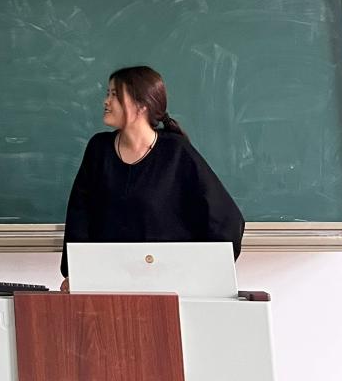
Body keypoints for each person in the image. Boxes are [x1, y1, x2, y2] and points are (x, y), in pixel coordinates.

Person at [59, 65, 244, 287]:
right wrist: (76, 272)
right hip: (106, 283)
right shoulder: (99, 149)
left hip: (164, 285)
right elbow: (79, 216)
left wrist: (202, 272)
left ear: (141, 105)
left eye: (115, 95)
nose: (106, 102)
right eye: (108, 94)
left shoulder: (175, 151)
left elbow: (226, 219)